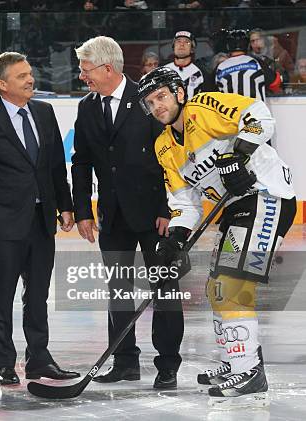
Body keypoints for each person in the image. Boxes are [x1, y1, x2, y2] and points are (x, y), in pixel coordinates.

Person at [138, 67, 296, 408]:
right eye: (150, 102)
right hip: (238, 208)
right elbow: (185, 201)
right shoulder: (164, 146)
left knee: (232, 286)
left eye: (162, 97)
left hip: (267, 196)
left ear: (179, 93)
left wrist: (239, 153)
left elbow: (258, 115)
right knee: (217, 287)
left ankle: (249, 370)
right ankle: (236, 361)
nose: (157, 106)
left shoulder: (204, 106)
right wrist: (175, 238)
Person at [0, 52, 79, 386]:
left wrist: (65, 206)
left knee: (38, 294)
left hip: (41, 220)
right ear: (2, 84)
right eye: (22, 76)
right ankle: (3, 362)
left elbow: (56, 165)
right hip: (2, 223)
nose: (30, 80)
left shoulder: (44, 111)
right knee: (2, 296)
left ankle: (39, 360)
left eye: (30, 73)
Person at [72, 36, 182, 389]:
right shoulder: (87, 107)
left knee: (164, 288)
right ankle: (124, 361)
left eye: (85, 69)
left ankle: (167, 364)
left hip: (155, 215)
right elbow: (81, 162)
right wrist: (82, 210)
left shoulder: (148, 98)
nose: (81, 76)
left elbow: (173, 156)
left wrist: (171, 209)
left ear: (107, 68)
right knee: (118, 288)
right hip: (113, 215)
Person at [216, 29, 281, 101]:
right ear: (247, 44)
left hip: (231, 111)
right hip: (256, 111)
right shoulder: (256, 62)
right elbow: (275, 84)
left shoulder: (220, 67)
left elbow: (211, 94)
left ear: (228, 46)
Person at [164, 31, 211, 100]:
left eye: (187, 42)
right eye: (178, 41)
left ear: (192, 49)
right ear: (173, 47)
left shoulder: (202, 72)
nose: (182, 44)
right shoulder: (163, 70)